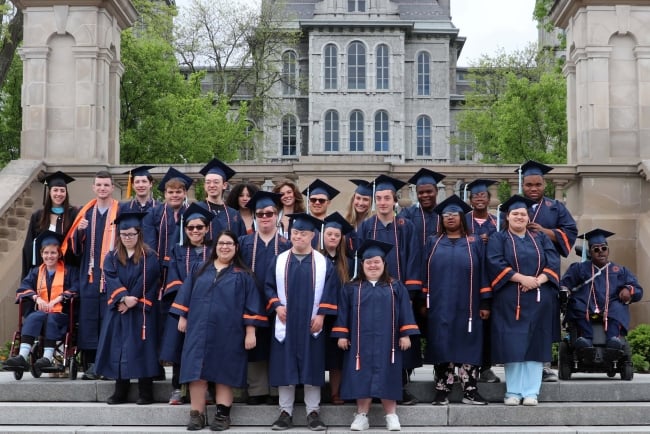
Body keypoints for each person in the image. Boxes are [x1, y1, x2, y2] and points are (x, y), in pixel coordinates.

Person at [171, 231, 266, 431]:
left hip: (229, 332)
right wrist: (182, 316)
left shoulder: (244, 275)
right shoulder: (199, 268)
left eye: (229, 244)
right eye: (221, 243)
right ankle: (196, 415)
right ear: (215, 247)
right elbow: (186, 294)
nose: (224, 247)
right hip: (198, 329)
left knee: (224, 374)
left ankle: (222, 416)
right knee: (196, 373)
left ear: (236, 247)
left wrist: (251, 332)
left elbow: (251, 306)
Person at [333, 239, 419, 432]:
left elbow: (405, 311)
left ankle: (391, 416)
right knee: (361, 376)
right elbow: (343, 314)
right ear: (362, 265)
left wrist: (406, 334)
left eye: (376, 262)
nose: (372, 265)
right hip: (359, 344)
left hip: (388, 343)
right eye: (368, 262)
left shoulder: (395, 287)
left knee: (388, 374)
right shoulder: (351, 288)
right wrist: (342, 335)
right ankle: (361, 416)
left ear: (384, 264)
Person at [264, 213, 338, 431]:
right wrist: (277, 305)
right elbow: (267, 286)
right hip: (285, 322)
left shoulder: (323, 263)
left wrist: (322, 315)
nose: (298, 237)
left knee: (312, 366)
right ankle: (285, 412)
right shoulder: (278, 260)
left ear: (312, 236)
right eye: (295, 233)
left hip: (311, 323)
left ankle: (313, 412)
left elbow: (330, 292)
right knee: (285, 366)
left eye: (303, 233)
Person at [487, 195, 560, 406]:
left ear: (529, 218)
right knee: (513, 344)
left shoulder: (540, 238)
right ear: (507, 217)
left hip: (539, 297)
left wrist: (537, 281)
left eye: (523, 214)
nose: (520, 217)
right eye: (515, 214)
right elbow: (494, 262)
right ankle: (513, 391)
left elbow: (553, 261)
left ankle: (531, 392)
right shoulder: (498, 239)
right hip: (510, 298)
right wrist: (522, 279)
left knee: (536, 344)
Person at [357, 174, 422, 405]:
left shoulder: (406, 226)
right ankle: (372, 388)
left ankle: (399, 387)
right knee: (373, 340)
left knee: (399, 340)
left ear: (394, 200)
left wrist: (411, 293)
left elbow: (414, 258)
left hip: (399, 293)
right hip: (371, 294)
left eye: (387, 198)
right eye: (379, 198)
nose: (383, 202)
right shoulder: (366, 226)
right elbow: (359, 260)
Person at [424, 195, 490, 406]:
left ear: (462, 217)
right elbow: (423, 271)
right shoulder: (433, 242)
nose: (450, 218)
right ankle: (442, 389)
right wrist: (422, 301)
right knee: (442, 342)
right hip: (439, 302)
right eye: (445, 215)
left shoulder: (475, 242)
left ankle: (470, 390)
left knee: (468, 343)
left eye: (454, 214)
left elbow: (484, 272)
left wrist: (485, 302)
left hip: (468, 304)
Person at [518, 160, 578, 382]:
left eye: (538, 185)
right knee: (518, 321)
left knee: (543, 322)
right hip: (519, 275)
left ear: (545, 185)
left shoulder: (556, 208)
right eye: (529, 185)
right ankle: (518, 364)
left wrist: (546, 231)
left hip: (546, 273)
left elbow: (570, 232)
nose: (533, 189)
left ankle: (543, 366)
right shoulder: (514, 207)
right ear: (522, 185)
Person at [95, 212, 161, 405]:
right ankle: (120, 391)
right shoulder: (112, 257)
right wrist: (123, 298)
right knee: (119, 348)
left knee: (143, 348)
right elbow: (110, 277)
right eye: (124, 235)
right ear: (119, 235)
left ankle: (146, 392)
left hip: (141, 309)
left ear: (139, 234)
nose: (128, 238)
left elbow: (149, 279)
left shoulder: (150, 256)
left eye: (131, 234)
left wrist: (134, 299)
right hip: (120, 308)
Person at [64, 170, 120, 380]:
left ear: (112, 187)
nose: (102, 188)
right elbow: (74, 249)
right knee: (89, 318)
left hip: (112, 275)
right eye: (99, 185)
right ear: (93, 187)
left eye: (106, 185)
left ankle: (109, 364)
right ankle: (90, 364)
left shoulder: (119, 211)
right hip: (89, 275)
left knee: (109, 318)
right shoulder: (85, 213)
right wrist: (79, 231)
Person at [238, 191, 291, 405]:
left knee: (277, 343)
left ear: (276, 215)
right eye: (260, 214)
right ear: (254, 216)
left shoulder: (286, 244)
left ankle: (277, 390)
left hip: (279, 303)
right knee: (255, 345)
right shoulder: (243, 242)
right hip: (251, 301)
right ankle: (257, 389)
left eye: (269, 213)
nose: (265, 217)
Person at [159, 203, 213, 405]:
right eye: (191, 228)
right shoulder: (177, 250)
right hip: (183, 309)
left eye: (199, 227)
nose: (195, 231)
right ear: (185, 230)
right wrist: (186, 308)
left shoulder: (215, 250)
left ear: (206, 228)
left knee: (207, 349)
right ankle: (177, 389)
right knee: (179, 348)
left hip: (210, 308)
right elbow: (173, 281)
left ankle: (206, 389)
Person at [561, 229, 643, 352]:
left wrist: (628, 290)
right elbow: (564, 284)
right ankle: (585, 339)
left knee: (618, 307)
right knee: (576, 305)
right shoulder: (579, 268)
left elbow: (637, 289)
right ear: (590, 252)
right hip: (586, 305)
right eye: (596, 249)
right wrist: (564, 290)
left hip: (610, 305)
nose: (600, 252)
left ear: (608, 250)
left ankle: (613, 339)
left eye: (603, 248)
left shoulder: (619, 270)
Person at [6, 232, 78, 371]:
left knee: (51, 318)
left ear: (59, 254)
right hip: (41, 312)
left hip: (61, 314)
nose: (49, 256)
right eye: (46, 253)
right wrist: (37, 298)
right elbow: (24, 288)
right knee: (33, 317)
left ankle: (47, 357)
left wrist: (59, 298)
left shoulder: (70, 271)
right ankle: (22, 356)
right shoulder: (35, 272)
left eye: (53, 253)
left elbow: (77, 287)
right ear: (41, 254)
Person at [464, 179, 500, 384]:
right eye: (476, 196)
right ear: (470, 200)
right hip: (467, 280)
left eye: (483, 195)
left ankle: (485, 367)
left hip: (492, 280)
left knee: (487, 327)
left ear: (489, 199)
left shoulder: (497, 222)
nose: (479, 198)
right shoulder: (462, 221)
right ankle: (466, 365)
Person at [142, 167, 193, 297]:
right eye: (171, 192)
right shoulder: (153, 213)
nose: (174, 195)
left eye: (178, 192)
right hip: (158, 267)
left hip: (185, 266)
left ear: (185, 193)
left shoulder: (192, 213)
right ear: (165, 194)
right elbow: (149, 243)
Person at [320, 212, 354, 405]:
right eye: (329, 234)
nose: (332, 237)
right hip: (319, 316)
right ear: (323, 235)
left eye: (336, 235)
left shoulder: (348, 263)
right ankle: (314, 391)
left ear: (341, 238)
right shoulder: (315, 258)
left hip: (340, 316)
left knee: (337, 357)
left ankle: (336, 392)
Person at [22, 171, 78, 278]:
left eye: (62, 190)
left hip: (66, 270)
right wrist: (27, 275)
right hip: (42, 270)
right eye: (55, 190)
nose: (59, 194)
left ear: (66, 193)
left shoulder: (72, 215)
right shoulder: (38, 216)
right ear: (49, 192)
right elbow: (29, 246)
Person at [198, 158, 246, 240]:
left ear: (224, 185)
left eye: (216, 182)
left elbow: (241, 241)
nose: (212, 185)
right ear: (204, 186)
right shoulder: (197, 210)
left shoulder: (234, 214)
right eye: (208, 182)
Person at [345, 179, 374, 253]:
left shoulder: (374, 225)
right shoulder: (346, 223)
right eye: (358, 198)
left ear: (371, 203)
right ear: (353, 199)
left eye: (365, 199)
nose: (361, 203)